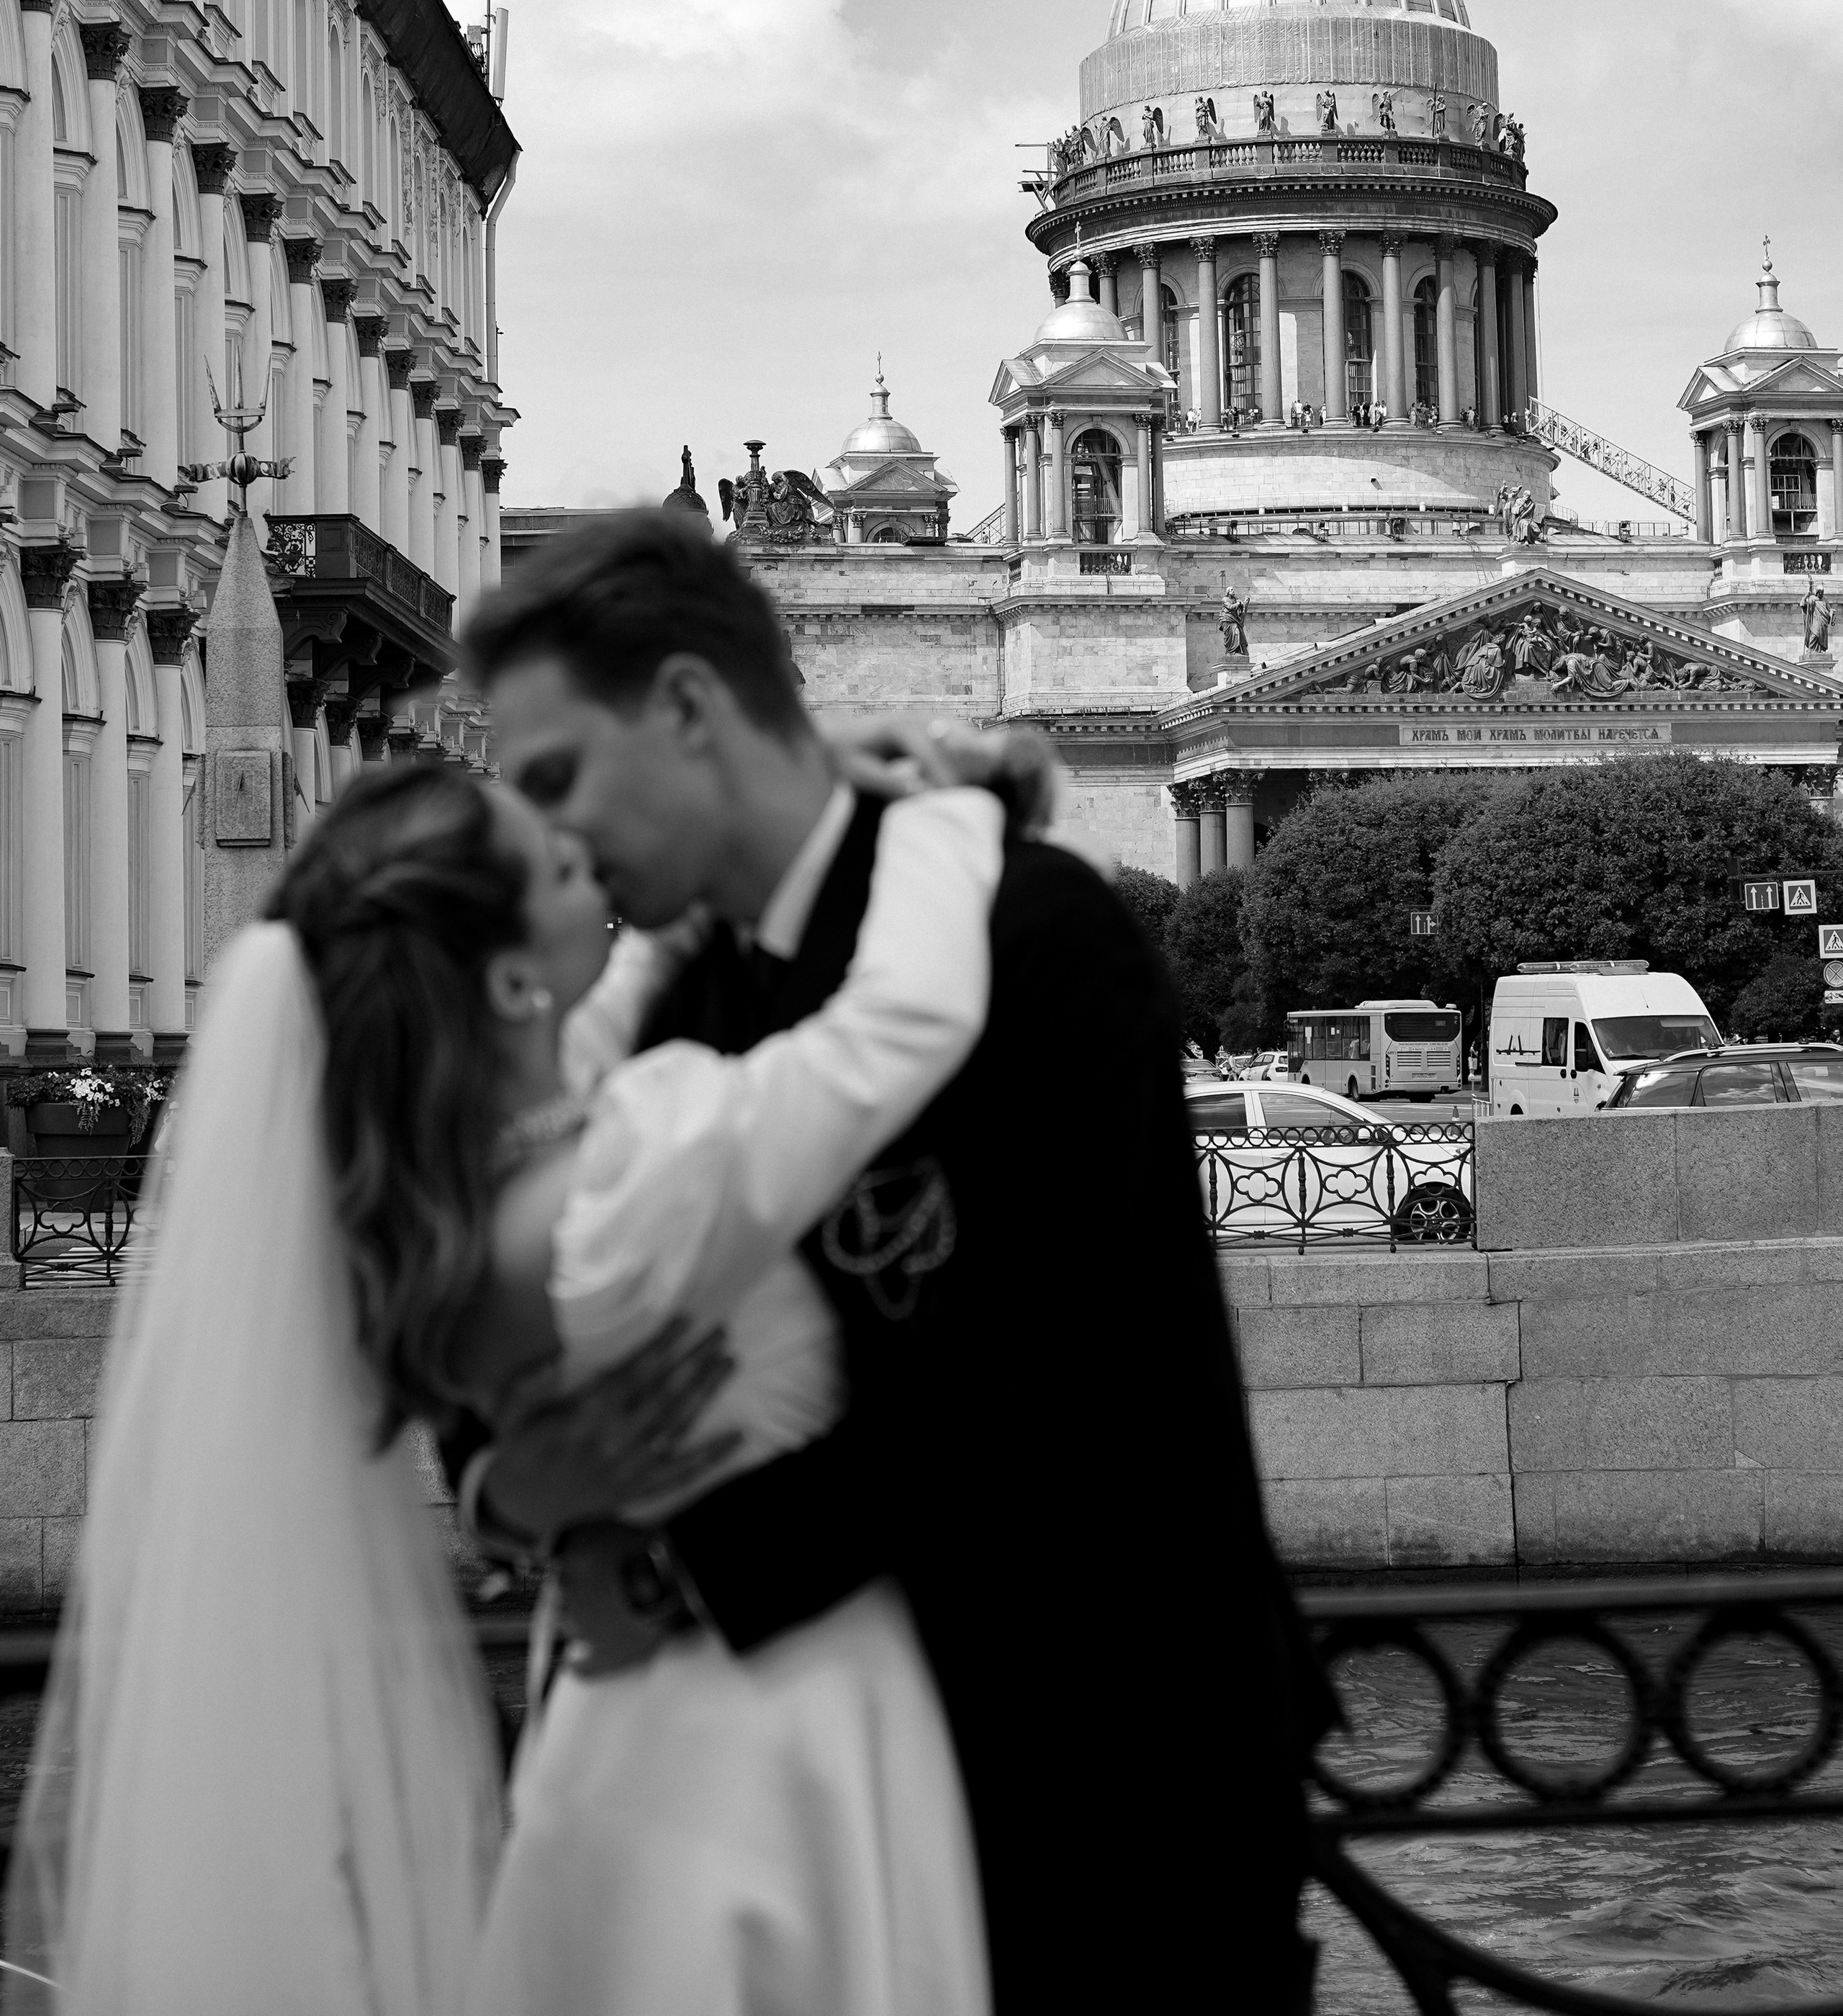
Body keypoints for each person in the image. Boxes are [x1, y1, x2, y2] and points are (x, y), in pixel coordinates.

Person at [460, 510, 1328, 2012]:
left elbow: (1027, 1393)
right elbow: (524, 1289)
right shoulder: (686, 996)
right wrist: (507, 1487)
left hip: (1094, 1788)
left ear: (683, 706)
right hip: (804, 1808)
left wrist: (659, 1563)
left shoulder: (1036, 935)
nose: (548, 840)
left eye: (555, 777)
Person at [8, 757, 1008, 2016]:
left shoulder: (455, 1207)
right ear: (509, 978)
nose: (584, 850)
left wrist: (505, 1501)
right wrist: (941, 814)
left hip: (607, 1722)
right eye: (553, 862)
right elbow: (904, 1023)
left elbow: (600, 994)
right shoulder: (640, 1172)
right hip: (778, 1745)